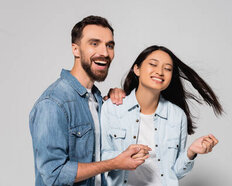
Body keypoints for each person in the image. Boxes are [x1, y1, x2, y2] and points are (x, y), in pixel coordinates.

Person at [29, 15, 151, 186]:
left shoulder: (98, 100)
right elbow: (54, 175)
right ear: (76, 49)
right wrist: (114, 163)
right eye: (94, 43)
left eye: (109, 45)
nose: (104, 53)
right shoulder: (52, 103)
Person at [101, 45, 223, 186]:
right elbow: (100, 156)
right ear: (137, 69)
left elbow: (174, 173)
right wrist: (123, 158)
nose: (160, 72)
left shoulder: (177, 116)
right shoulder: (112, 108)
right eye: (153, 64)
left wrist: (191, 152)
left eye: (167, 69)